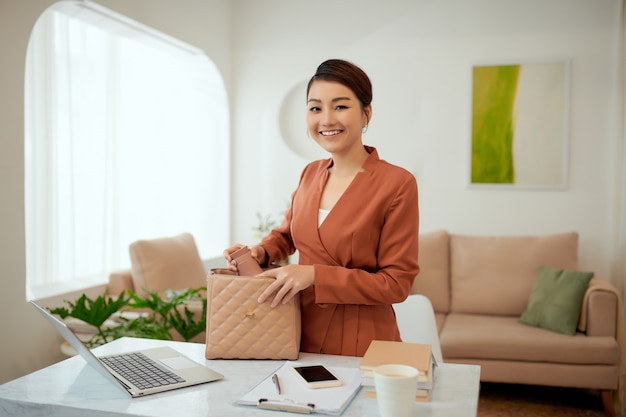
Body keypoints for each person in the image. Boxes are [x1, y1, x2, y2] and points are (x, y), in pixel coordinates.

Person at [223, 59, 419, 357]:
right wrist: (260, 253)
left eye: (340, 106)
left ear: (366, 113)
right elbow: (287, 235)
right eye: (315, 108)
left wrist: (315, 275)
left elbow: (396, 284)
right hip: (296, 331)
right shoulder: (310, 173)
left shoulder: (397, 183)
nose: (326, 119)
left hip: (364, 342)